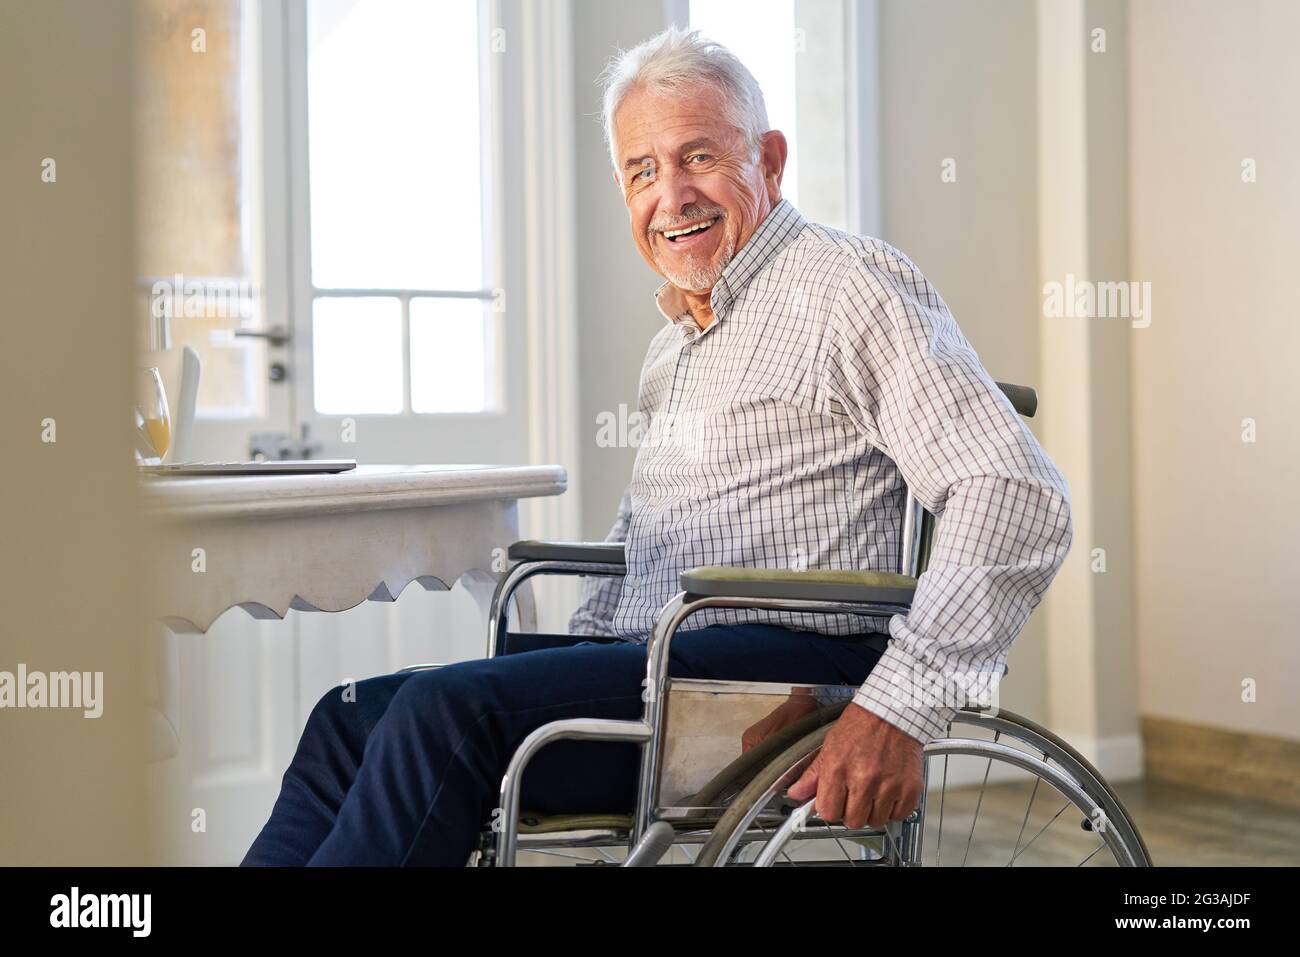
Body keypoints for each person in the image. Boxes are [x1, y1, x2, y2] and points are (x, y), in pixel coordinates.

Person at [243, 26, 1072, 867]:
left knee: (439, 718)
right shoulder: (677, 344)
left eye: (699, 158)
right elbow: (645, 546)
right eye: (643, 172)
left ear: (771, 161)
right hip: (670, 666)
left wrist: (900, 706)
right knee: (347, 716)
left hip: (777, 674)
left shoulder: (847, 288)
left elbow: (1014, 493)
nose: (670, 195)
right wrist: (564, 665)